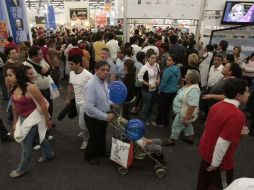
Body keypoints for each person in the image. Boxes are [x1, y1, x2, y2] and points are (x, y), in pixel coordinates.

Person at [196, 79, 250, 190]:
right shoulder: (237, 115)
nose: (249, 94)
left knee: (202, 185)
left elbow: (209, 128)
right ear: (239, 95)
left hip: (206, 156)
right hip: (220, 162)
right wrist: (216, 163)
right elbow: (223, 141)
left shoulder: (216, 106)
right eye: (247, 92)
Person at [4, 64, 54, 178]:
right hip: (22, 118)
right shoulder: (13, 87)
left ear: (18, 75)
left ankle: (23, 168)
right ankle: (49, 153)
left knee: (25, 144)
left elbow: (43, 104)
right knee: (37, 137)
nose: (7, 78)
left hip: (33, 119)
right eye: (7, 75)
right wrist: (15, 122)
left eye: (10, 75)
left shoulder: (31, 87)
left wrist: (47, 120)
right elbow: (14, 106)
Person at [84, 60, 115, 165]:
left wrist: (111, 103)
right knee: (94, 137)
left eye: (107, 70)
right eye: (103, 70)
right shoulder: (91, 85)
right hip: (93, 117)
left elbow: (105, 96)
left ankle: (101, 152)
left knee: (101, 135)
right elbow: (89, 108)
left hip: (102, 115)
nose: (106, 72)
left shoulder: (104, 81)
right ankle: (89, 156)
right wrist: (106, 116)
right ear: (96, 70)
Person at [163, 70, 201, 146]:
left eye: (186, 74)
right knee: (187, 125)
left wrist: (187, 117)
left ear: (190, 79)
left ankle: (171, 140)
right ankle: (190, 139)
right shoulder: (188, 85)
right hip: (181, 111)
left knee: (176, 126)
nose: (185, 75)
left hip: (184, 113)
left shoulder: (194, 90)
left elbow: (192, 105)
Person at [67, 55, 93, 150]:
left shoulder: (88, 75)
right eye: (69, 64)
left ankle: (86, 139)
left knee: (81, 124)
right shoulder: (72, 73)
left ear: (78, 64)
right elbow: (70, 86)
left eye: (72, 64)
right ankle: (84, 131)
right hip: (77, 101)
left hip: (86, 102)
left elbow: (94, 89)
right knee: (82, 121)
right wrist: (68, 98)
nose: (70, 66)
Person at [155, 54, 180, 128]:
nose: (167, 61)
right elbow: (178, 79)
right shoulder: (178, 69)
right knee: (168, 107)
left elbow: (163, 82)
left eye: (169, 60)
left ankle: (158, 122)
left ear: (174, 62)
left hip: (165, 92)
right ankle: (166, 122)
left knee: (161, 107)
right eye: (167, 59)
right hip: (173, 91)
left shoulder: (167, 70)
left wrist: (159, 90)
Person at [138, 50, 160, 125]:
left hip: (155, 89)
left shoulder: (157, 65)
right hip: (146, 90)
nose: (154, 60)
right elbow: (140, 78)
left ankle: (148, 116)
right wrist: (148, 84)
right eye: (152, 58)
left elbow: (158, 74)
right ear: (147, 58)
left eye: (155, 58)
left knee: (152, 104)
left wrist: (158, 80)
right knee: (146, 104)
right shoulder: (144, 68)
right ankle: (144, 119)